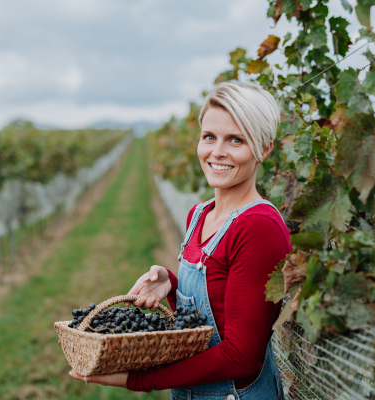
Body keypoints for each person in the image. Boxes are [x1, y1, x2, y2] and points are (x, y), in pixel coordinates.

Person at [69, 82, 292, 400]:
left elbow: (241, 356)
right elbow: (204, 324)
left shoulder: (258, 227)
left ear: (264, 148)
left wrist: (136, 380)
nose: (217, 152)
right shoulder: (199, 215)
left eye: (236, 140)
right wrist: (171, 286)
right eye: (209, 137)